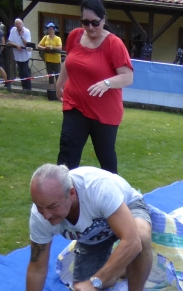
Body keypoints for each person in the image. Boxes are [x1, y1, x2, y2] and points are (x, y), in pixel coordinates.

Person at [19, 164, 153, 291]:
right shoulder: (41, 215)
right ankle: (124, 265)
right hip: (93, 236)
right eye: (39, 206)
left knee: (140, 238)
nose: (46, 215)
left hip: (126, 210)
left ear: (72, 194)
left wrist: (95, 281)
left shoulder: (98, 188)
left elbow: (133, 241)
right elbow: (37, 267)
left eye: (52, 206)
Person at [56, 0, 134, 172]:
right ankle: (61, 195)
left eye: (95, 23)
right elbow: (69, 63)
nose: (90, 27)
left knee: (106, 158)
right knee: (67, 153)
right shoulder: (75, 36)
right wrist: (60, 84)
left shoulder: (114, 44)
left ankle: (114, 196)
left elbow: (128, 77)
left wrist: (107, 83)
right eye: (85, 22)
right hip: (74, 104)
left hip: (104, 112)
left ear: (103, 20)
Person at [38, 22, 63, 101]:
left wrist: (51, 48)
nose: (50, 31)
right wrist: (45, 48)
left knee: (58, 77)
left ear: (54, 30)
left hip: (56, 60)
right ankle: (52, 94)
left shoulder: (58, 38)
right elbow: (39, 45)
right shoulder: (45, 37)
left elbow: (60, 48)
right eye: (49, 29)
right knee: (50, 77)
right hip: (48, 60)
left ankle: (60, 94)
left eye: (52, 29)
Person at [7, 19, 32, 90]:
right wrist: (16, 45)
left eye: (20, 24)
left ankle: (28, 88)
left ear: (22, 24)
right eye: (17, 24)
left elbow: (27, 44)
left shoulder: (27, 31)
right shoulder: (13, 30)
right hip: (17, 55)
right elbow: (9, 42)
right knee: (20, 73)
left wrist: (21, 36)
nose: (18, 26)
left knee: (25, 71)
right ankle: (24, 87)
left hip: (25, 55)